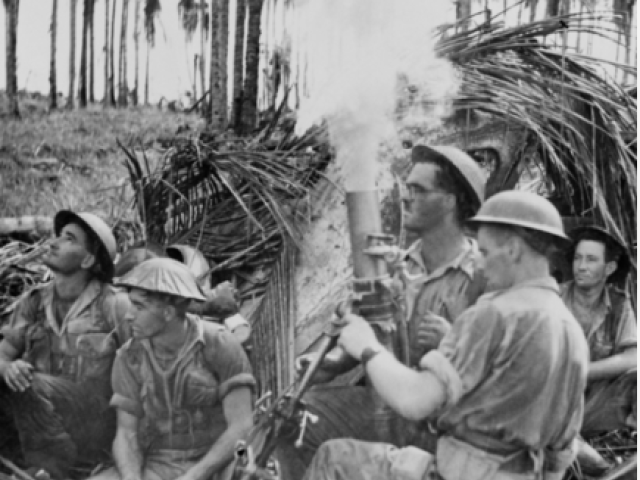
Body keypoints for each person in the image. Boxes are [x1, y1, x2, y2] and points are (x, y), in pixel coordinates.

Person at [302, 190, 589, 480]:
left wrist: (366, 346)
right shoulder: (571, 332)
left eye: (485, 252)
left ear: (513, 249)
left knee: (334, 457)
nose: (479, 263)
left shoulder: (495, 314)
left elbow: (414, 400)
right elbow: (560, 455)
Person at [276, 145, 487, 479]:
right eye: (407, 187)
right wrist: (333, 364)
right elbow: (376, 337)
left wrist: (453, 342)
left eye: (418, 189)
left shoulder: (484, 277)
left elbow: (502, 373)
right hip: (385, 408)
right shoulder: (396, 268)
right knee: (294, 420)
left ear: (450, 200)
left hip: (448, 425)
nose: (406, 197)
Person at [88, 257, 255, 480]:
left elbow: (242, 427)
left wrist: (195, 476)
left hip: (222, 462)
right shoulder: (129, 358)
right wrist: (131, 478)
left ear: (167, 313)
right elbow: (126, 434)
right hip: (158, 465)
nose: (128, 315)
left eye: (139, 307)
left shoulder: (219, 344)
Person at [0, 211, 130, 479]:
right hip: (36, 419)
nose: (53, 243)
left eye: (69, 238)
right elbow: (3, 355)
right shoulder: (34, 301)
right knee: (17, 380)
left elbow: (143, 365)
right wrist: (7, 368)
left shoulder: (113, 304)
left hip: (94, 427)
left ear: (88, 259)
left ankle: (50, 469)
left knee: (30, 383)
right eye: (57, 235)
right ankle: (16, 460)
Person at [559, 226, 637, 473]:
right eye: (577, 258)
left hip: (597, 405)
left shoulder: (618, 304)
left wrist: (584, 371)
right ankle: (602, 468)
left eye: (591, 259)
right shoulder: (553, 297)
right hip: (555, 401)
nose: (581, 266)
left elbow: (633, 356)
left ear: (609, 268)